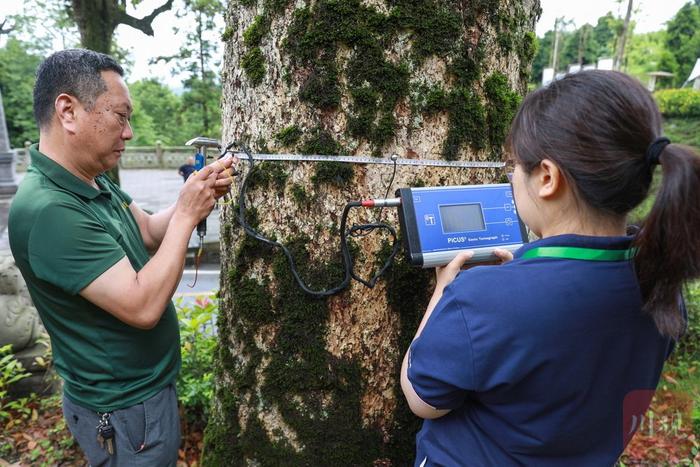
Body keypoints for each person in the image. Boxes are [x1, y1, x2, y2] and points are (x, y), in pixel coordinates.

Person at [400, 70, 699, 466]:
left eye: (514, 166)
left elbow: (423, 400)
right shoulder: (662, 286)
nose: (511, 177)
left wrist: (444, 293)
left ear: (546, 177)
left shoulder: (483, 296)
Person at [8, 49, 235, 466]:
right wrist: (187, 212)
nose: (128, 132)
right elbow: (142, 305)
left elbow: (147, 231)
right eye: (120, 115)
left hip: (140, 397)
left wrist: (199, 197)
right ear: (68, 111)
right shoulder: (50, 210)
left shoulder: (88, 180)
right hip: (123, 410)